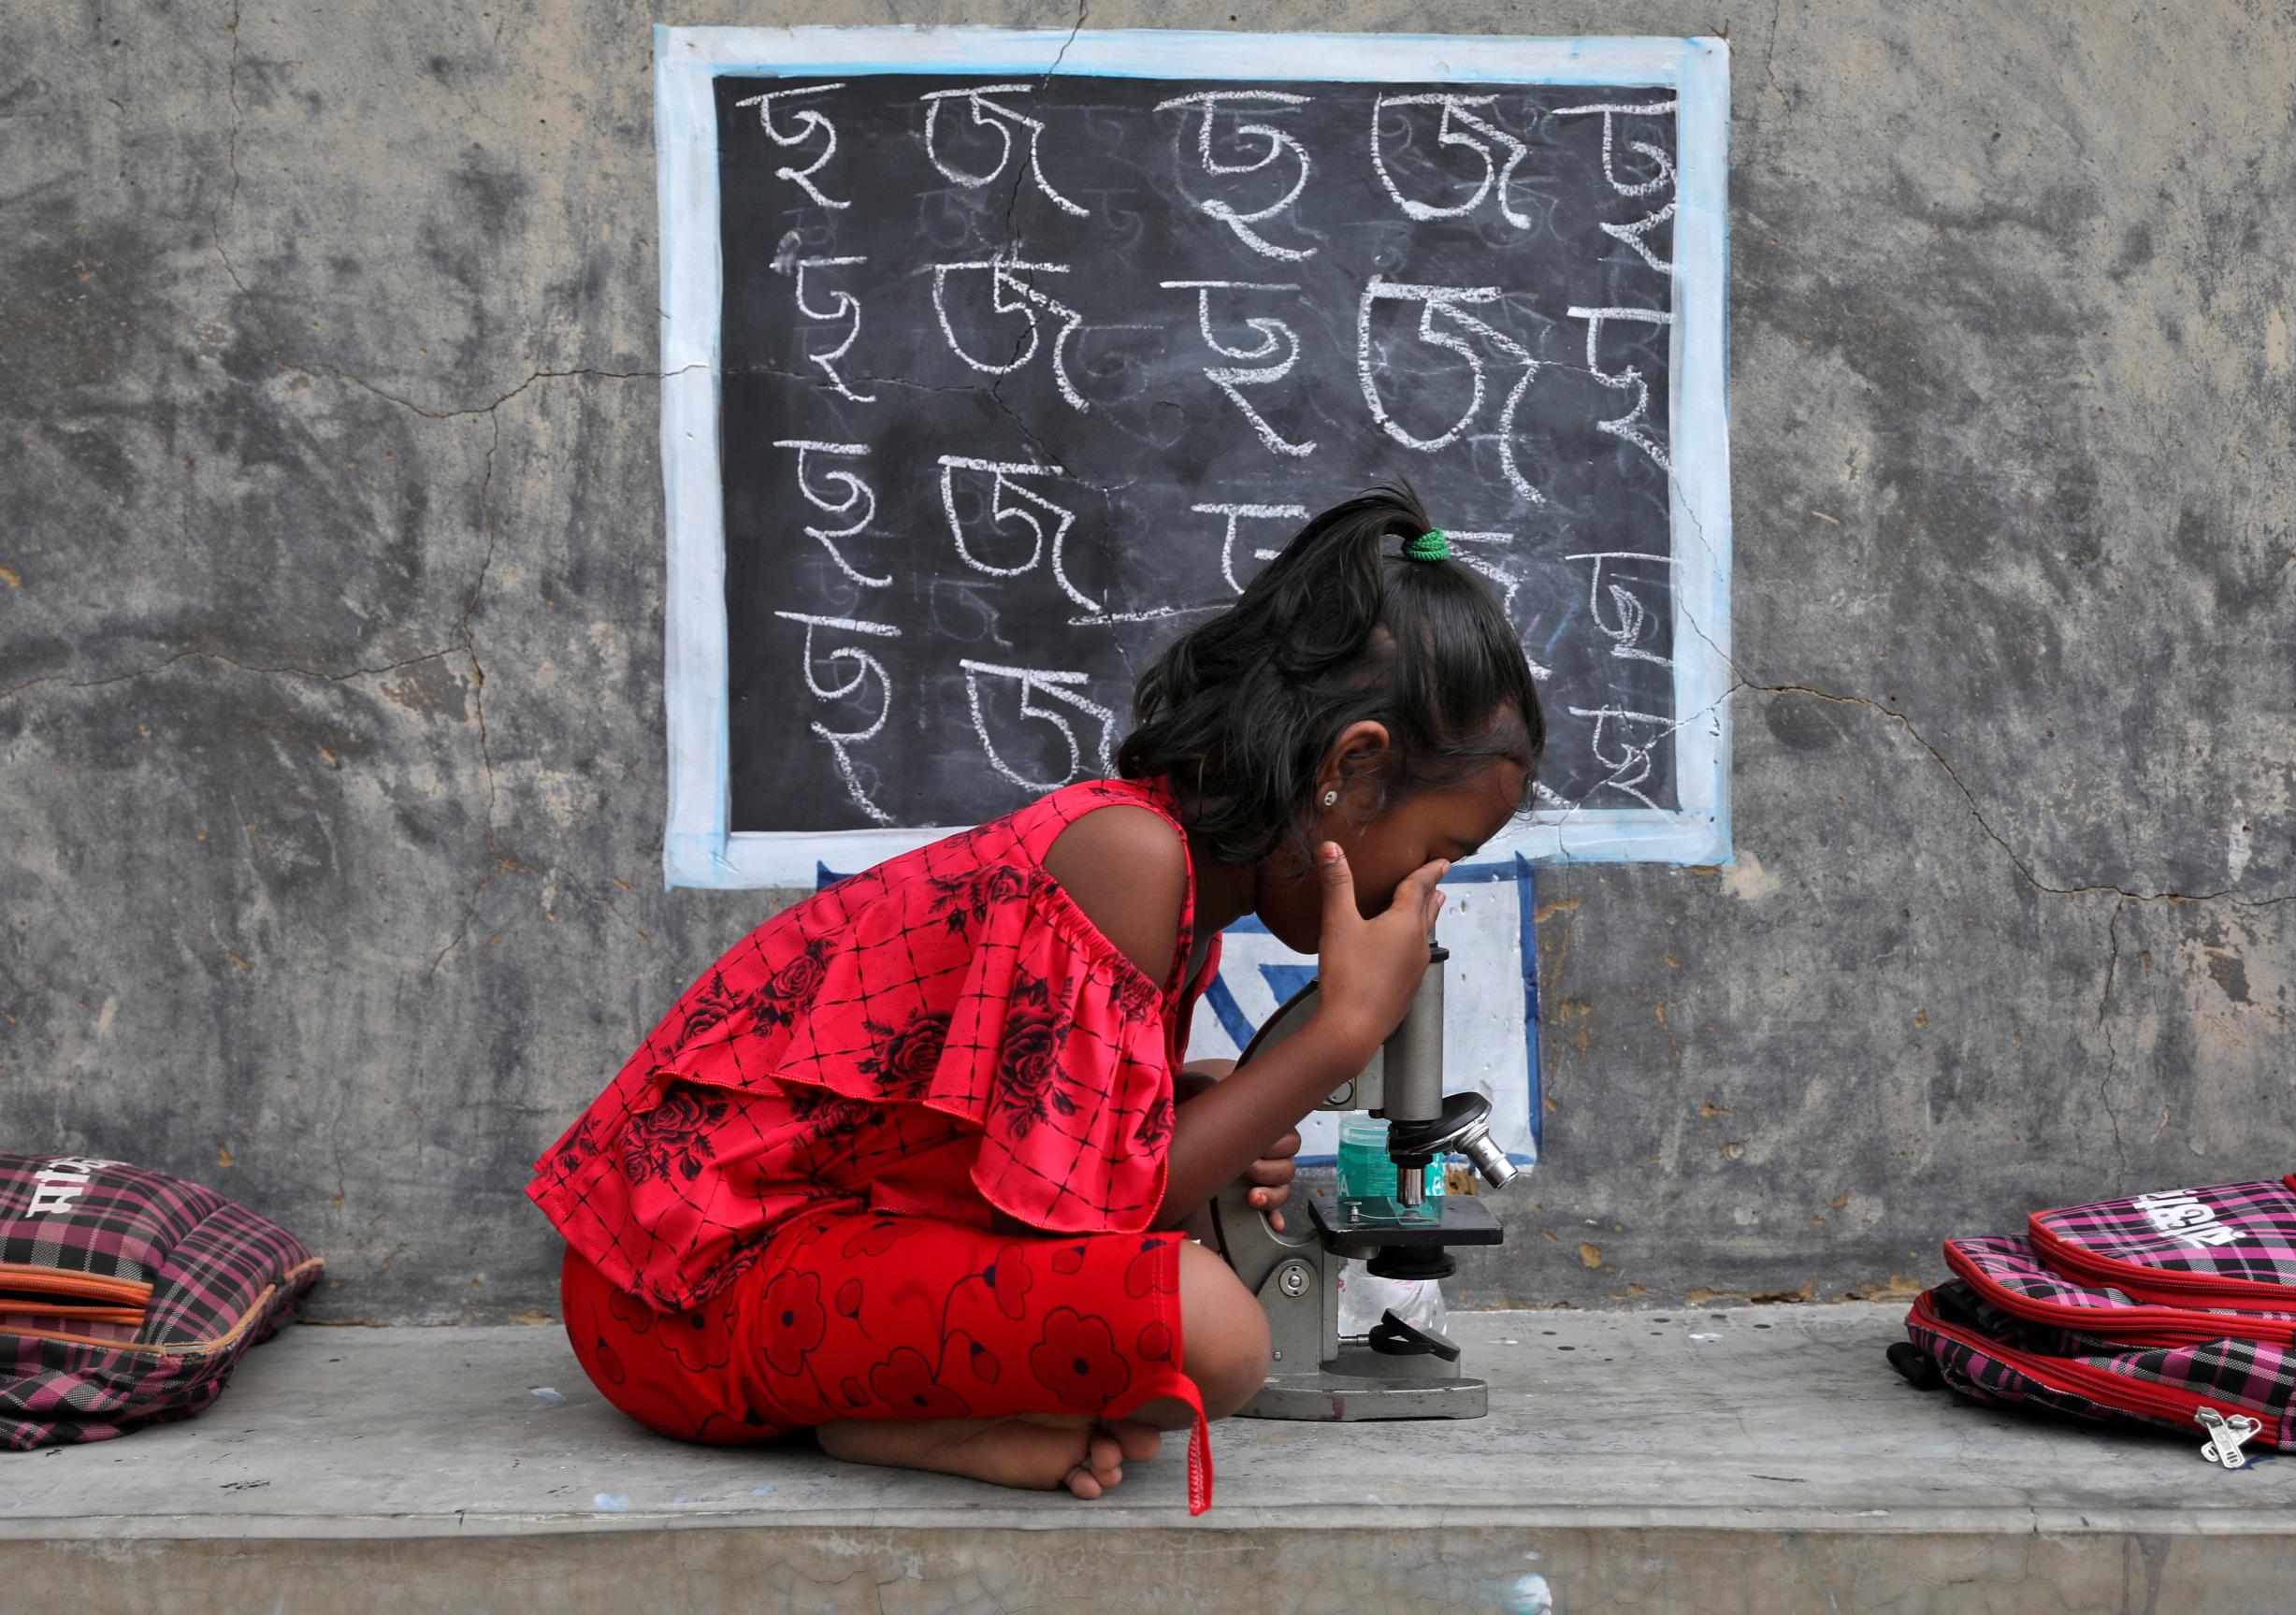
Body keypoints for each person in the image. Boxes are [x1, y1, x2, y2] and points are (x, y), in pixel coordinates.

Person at [526, 480, 1546, 1514]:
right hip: (678, 1298)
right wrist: (1339, 1031)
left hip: (777, 1268)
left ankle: (908, 1417)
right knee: (1217, 1334)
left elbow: (1027, 1172)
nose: (1426, 895)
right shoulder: (1128, 857)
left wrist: (1185, 1109)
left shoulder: (1173, 878)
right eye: (1438, 854)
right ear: (1351, 771)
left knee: (1187, 1319)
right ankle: (879, 1413)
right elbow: (1105, 1221)